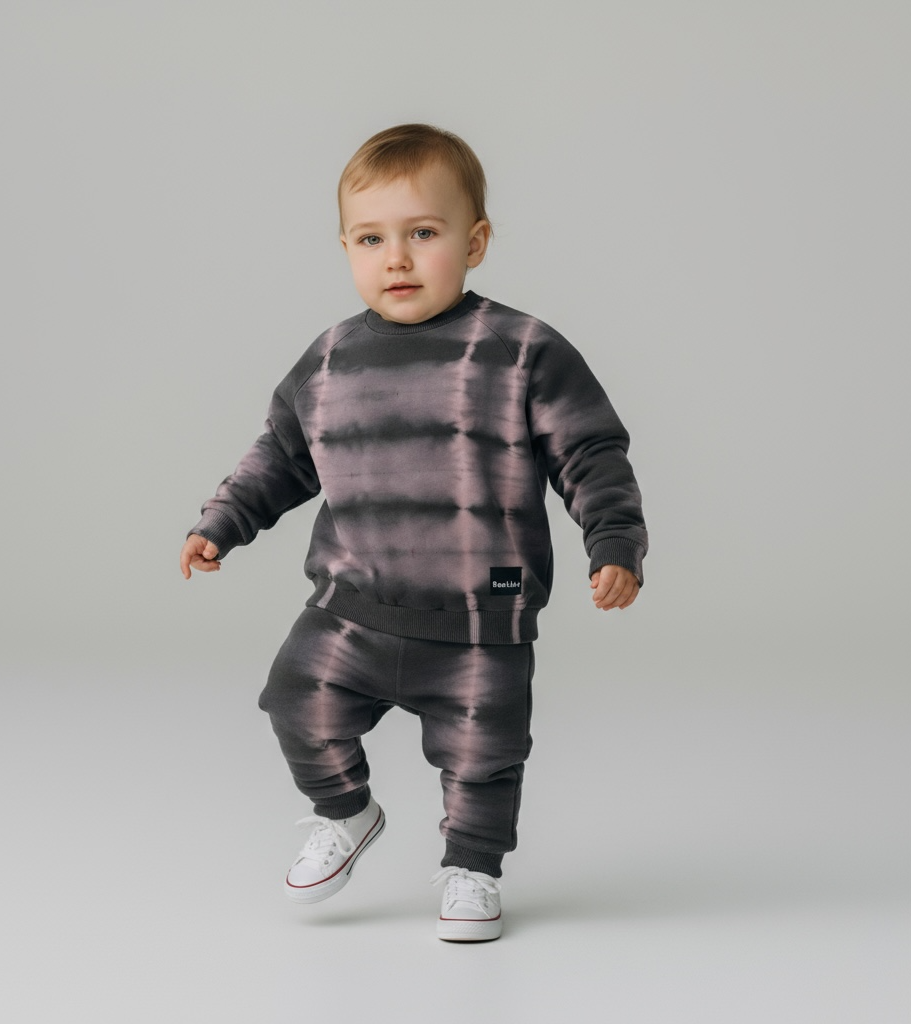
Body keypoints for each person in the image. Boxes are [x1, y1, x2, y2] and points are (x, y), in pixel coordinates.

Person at [179, 124, 647, 942]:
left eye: (422, 235)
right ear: (346, 247)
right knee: (294, 701)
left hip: (479, 618)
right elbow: (282, 457)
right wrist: (223, 522)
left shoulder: (522, 351)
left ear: (475, 242)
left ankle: (472, 869)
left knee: (484, 757)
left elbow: (590, 448)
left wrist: (613, 542)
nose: (395, 259)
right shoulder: (328, 362)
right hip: (351, 606)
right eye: (371, 239)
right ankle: (346, 811)